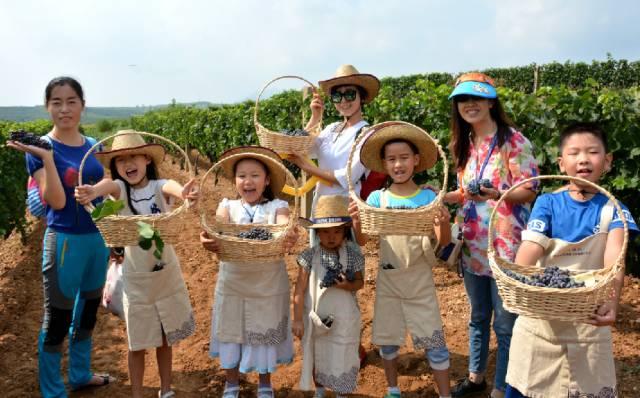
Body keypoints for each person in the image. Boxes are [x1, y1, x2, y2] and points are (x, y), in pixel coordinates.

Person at [504, 122, 639, 398]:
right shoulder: (548, 203)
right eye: (574, 153)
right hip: (542, 321)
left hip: (589, 322)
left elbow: (615, 259)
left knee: (587, 388)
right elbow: (530, 247)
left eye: (592, 152)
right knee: (528, 387)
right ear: (561, 163)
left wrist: (611, 303)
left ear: (608, 160)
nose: (583, 159)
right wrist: (520, 281)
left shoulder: (615, 210)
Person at [7, 76, 113, 397]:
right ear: (47, 107)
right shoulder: (39, 149)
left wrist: (115, 231)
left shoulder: (95, 145)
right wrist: (49, 158)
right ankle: (53, 390)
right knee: (58, 318)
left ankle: (80, 374)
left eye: (71, 102)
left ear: (82, 105)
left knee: (88, 311)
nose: (64, 109)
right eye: (57, 102)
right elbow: (57, 202)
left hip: (97, 240)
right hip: (65, 241)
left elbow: (106, 194)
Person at [75, 131, 198, 398]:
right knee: (137, 341)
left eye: (134, 157)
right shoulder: (120, 191)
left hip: (165, 272)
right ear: (115, 167)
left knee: (165, 337)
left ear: (146, 159)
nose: (128, 164)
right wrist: (91, 192)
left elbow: (173, 187)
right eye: (121, 160)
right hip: (136, 277)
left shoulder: (158, 187)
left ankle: (166, 390)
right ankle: (138, 394)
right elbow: (105, 186)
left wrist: (185, 193)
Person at [443, 72, 539, 398]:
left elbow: (529, 189)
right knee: (478, 316)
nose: (470, 105)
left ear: (490, 102)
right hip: (472, 245)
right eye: (463, 100)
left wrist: (496, 192)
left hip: (506, 246)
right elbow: (464, 191)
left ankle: (502, 387)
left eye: (477, 98)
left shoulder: (513, 140)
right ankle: (475, 377)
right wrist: (440, 197)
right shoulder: (464, 144)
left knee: (506, 324)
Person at [350, 122, 453, 398]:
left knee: (434, 341)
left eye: (404, 158)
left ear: (416, 160)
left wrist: (444, 224)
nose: (398, 165)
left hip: (419, 280)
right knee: (388, 339)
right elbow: (363, 241)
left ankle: (445, 395)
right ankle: (393, 390)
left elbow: (443, 242)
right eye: (392, 159)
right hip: (389, 280)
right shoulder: (376, 199)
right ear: (384, 164)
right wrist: (358, 222)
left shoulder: (428, 197)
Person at [199, 146, 297, 398]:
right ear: (235, 181)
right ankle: (231, 383)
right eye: (242, 175)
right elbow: (219, 226)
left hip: (268, 283)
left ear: (266, 181)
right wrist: (209, 237)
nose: (248, 180)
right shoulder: (227, 205)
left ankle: (265, 383)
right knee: (232, 329)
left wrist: (287, 233)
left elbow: (283, 225)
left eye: (255, 175)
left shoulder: (278, 205)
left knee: (264, 329)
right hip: (234, 282)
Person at [288, 64, 381, 238]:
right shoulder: (331, 129)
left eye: (350, 94)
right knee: (319, 260)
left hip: (347, 210)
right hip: (321, 208)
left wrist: (307, 167)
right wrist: (314, 117)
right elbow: (301, 147)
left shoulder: (366, 134)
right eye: (337, 95)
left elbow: (348, 177)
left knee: (347, 261)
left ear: (362, 97)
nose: (344, 101)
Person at [293, 195, 365, 398]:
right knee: (317, 352)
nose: (331, 236)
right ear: (316, 233)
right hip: (316, 315)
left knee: (342, 351)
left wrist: (347, 285)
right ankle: (320, 389)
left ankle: (341, 390)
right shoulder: (309, 256)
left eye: (336, 231)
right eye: (325, 232)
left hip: (344, 316)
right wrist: (297, 318)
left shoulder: (352, 255)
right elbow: (299, 289)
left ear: (345, 232)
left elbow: (360, 282)